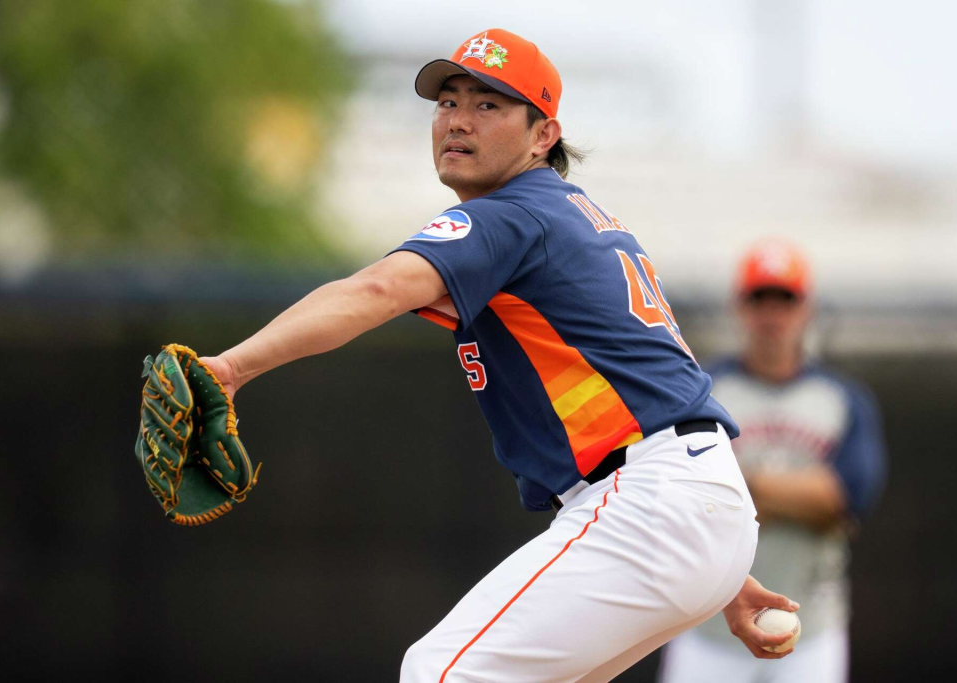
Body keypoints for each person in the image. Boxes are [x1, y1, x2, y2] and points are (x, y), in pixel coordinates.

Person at [199, 29, 799, 682]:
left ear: (543, 135)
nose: (458, 120)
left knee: (439, 671)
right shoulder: (568, 217)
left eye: (488, 105)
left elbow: (374, 291)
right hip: (688, 502)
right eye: (447, 102)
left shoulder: (510, 217)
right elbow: (650, 384)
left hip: (653, 501)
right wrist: (715, 566)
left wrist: (230, 368)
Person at [658, 240, 888, 683]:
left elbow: (844, 499)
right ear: (740, 307)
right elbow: (680, 494)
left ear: (807, 309)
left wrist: (742, 488)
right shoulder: (700, 390)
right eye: (760, 299)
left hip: (811, 629)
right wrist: (800, 494)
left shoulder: (843, 399)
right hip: (707, 626)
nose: (772, 315)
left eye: (785, 299)